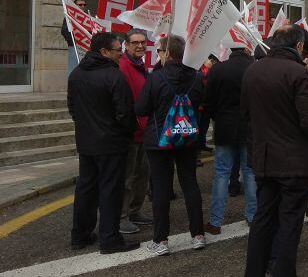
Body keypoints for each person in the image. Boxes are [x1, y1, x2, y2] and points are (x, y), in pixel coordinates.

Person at [241, 25, 308, 277]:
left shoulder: (253, 70)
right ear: (298, 46)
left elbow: (247, 116)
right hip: (293, 161)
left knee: (263, 221)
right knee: (289, 225)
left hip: (264, 158)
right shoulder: (297, 73)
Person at [68, 31, 139, 254]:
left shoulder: (76, 73)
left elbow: (72, 107)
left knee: (86, 188)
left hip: (86, 141)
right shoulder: (114, 76)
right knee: (110, 190)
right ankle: (110, 239)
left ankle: (80, 234)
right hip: (111, 143)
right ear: (104, 51)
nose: (121, 54)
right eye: (118, 50)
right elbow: (125, 112)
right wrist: (127, 132)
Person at [135, 35, 206, 256]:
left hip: (160, 140)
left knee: (161, 188)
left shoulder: (156, 77)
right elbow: (202, 102)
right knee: (190, 183)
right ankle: (198, 234)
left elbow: (141, 108)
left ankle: (161, 240)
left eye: (159, 51)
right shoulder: (196, 77)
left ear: (167, 53)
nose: (158, 54)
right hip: (187, 138)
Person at [203, 45, 256, 235]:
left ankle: (215, 221)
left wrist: (216, 117)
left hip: (224, 125)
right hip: (249, 127)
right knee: (249, 172)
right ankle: (253, 216)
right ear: (247, 49)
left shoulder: (218, 69)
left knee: (221, 173)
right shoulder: (253, 68)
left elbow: (208, 100)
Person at [117, 29, 153, 236]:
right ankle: (122, 217)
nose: (140, 46)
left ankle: (135, 210)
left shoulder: (140, 66)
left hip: (144, 131)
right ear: (127, 45)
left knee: (142, 175)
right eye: (135, 43)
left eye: (143, 42)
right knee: (127, 177)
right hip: (131, 132)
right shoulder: (123, 66)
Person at [62, 0, 87, 75]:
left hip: (85, 47)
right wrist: (74, 41)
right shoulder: (69, 16)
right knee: (73, 69)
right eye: (80, 4)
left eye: (84, 5)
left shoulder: (87, 17)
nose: (82, 6)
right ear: (75, 5)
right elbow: (64, 31)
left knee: (84, 70)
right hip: (74, 46)